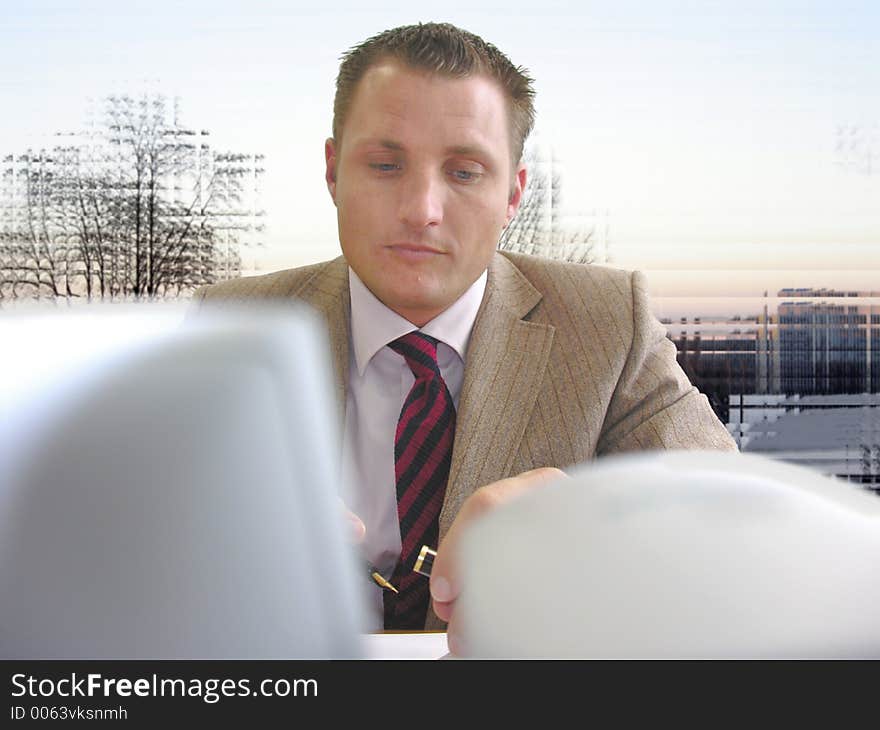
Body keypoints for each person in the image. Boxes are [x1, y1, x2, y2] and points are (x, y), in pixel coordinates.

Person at [193, 21, 737, 653]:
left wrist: (596, 534)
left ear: (514, 194)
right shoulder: (228, 325)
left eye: (464, 172)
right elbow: (123, 536)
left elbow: (736, 532)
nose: (422, 208)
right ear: (333, 171)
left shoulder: (609, 323)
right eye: (386, 163)